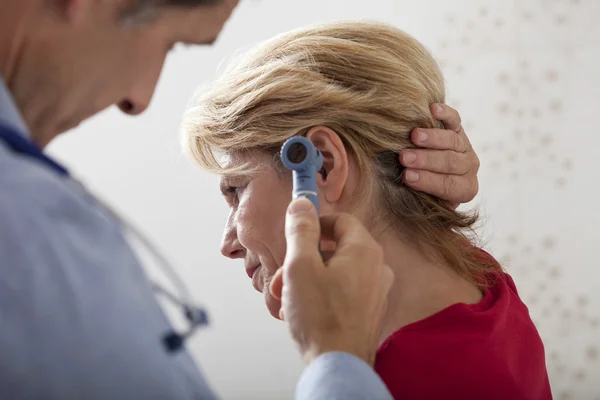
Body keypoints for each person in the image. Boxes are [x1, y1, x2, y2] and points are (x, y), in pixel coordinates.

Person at [0, 1, 479, 399]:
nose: (139, 98)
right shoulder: (484, 297)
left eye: (236, 190)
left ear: (324, 166)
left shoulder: (414, 378)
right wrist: (337, 362)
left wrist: (337, 361)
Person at [181, 20, 552, 399]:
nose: (228, 244)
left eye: (237, 191)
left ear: (322, 164)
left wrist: (328, 360)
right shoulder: (486, 286)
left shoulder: (398, 382)